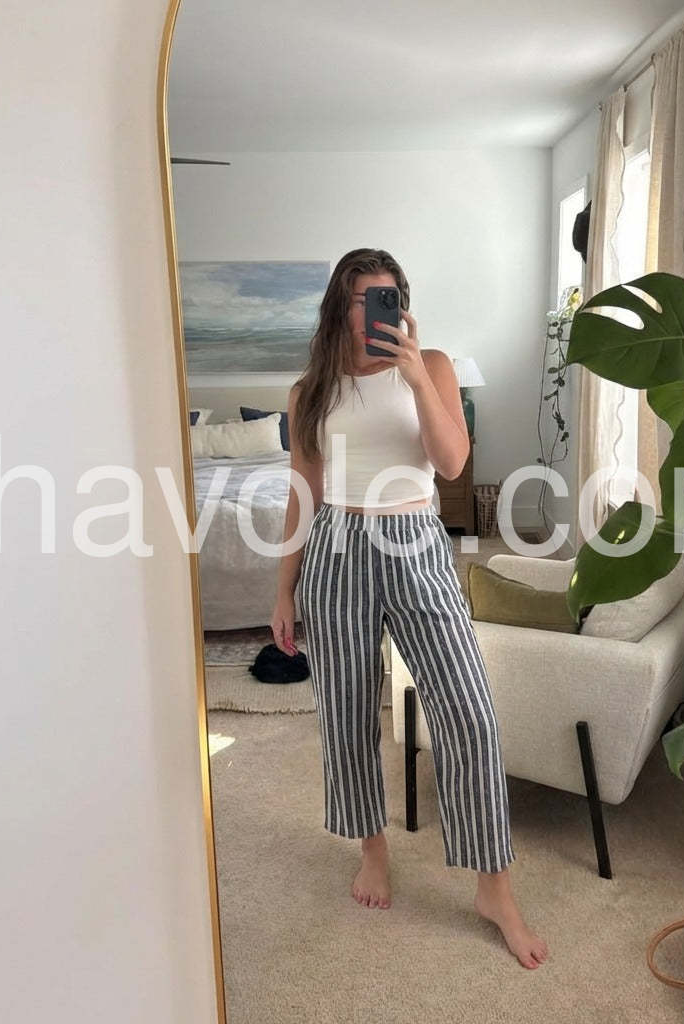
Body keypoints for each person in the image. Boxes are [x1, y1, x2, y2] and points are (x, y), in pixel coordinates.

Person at [271, 247, 548, 970]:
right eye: (363, 298)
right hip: (337, 549)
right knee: (346, 714)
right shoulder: (309, 392)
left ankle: (494, 888)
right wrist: (283, 590)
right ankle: (373, 850)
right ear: (340, 307)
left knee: (470, 712)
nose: (376, 311)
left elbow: (451, 463)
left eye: (388, 297)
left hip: (417, 543)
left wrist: (417, 374)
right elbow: (302, 493)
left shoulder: (434, 366)